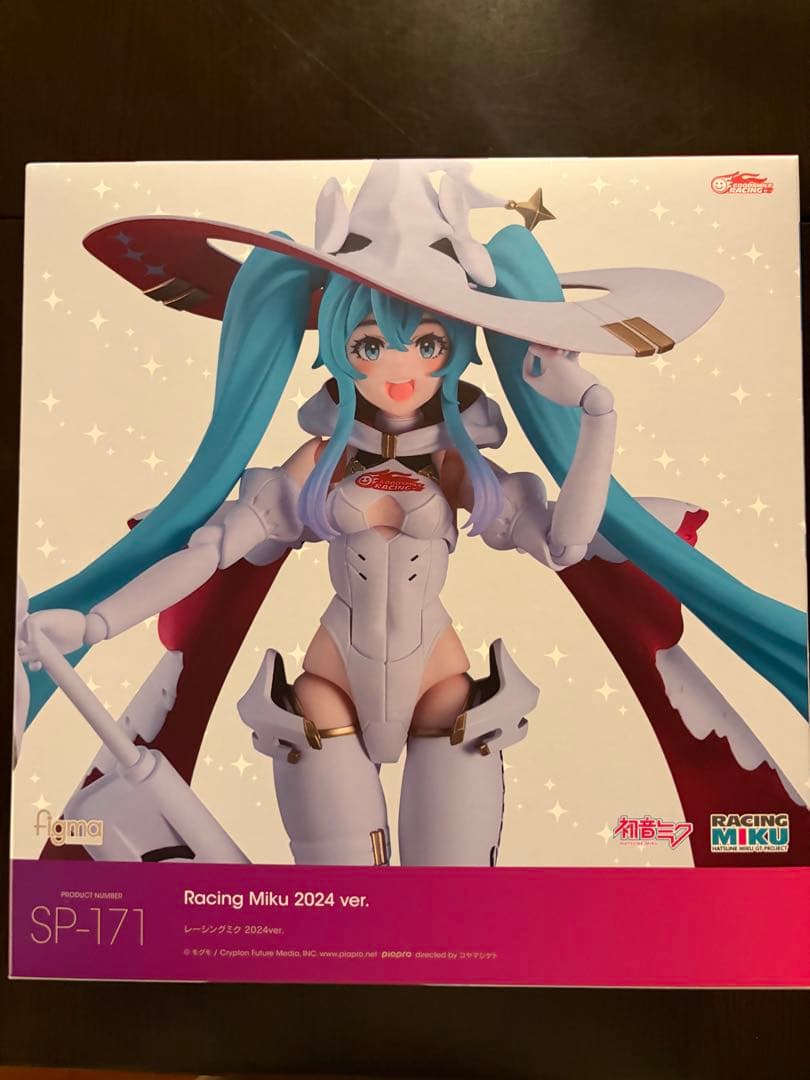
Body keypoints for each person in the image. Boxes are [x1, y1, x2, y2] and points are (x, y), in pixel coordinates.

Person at [16, 160, 808, 867]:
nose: (399, 368)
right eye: (370, 345)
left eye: (427, 344)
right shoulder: (318, 463)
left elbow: (566, 545)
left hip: (443, 688)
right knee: (341, 910)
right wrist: (95, 624)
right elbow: (212, 551)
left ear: (456, 348)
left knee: (451, 906)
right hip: (328, 686)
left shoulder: (458, 465)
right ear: (337, 347)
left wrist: (596, 415)